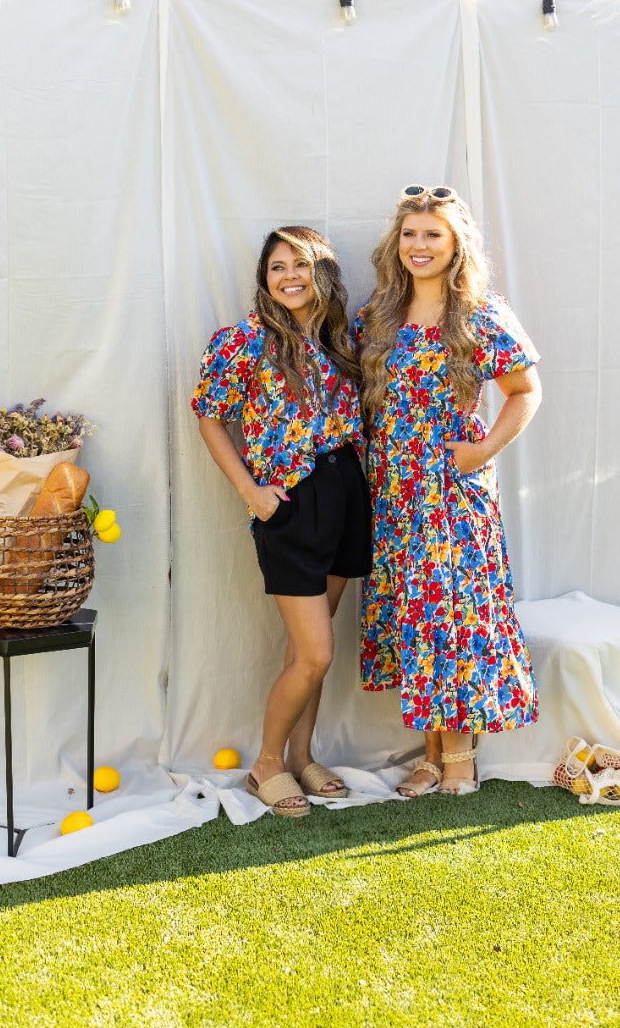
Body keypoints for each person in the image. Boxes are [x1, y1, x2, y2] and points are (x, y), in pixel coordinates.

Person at [355, 185, 542, 797]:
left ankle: (460, 754)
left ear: (456, 243)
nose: (419, 245)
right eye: (410, 234)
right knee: (419, 616)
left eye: (432, 234)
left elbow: (525, 392)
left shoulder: (481, 313)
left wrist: (482, 451)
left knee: (455, 614)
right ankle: (432, 754)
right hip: (394, 493)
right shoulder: (378, 317)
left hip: (453, 491)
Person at [192, 226, 371, 817]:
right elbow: (210, 419)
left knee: (308, 650)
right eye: (277, 267)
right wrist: (251, 492)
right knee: (316, 653)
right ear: (264, 278)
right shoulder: (243, 340)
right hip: (289, 500)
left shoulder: (341, 339)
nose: (289, 276)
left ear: (323, 274)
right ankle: (266, 764)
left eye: (301, 265)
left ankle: (302, 754)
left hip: (346, 489)